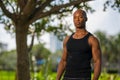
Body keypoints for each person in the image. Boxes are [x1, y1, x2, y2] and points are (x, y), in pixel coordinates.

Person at [56, 9, 102, 80]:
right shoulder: (67, 39)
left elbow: (97, 62)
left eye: (80, 17)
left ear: (86, 19)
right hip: (67, 77)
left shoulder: (92, 40)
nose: (77, 20)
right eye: (75, 17)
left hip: (83, 77)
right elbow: (63, 61)